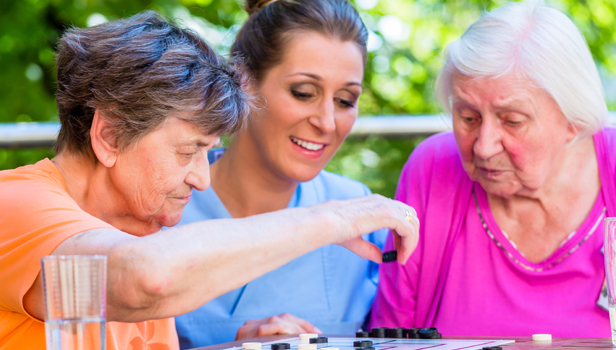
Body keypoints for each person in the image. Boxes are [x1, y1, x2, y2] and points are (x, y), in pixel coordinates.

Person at [0, 11, 419, 350]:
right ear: (109, 135)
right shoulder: (13, 204)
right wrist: (331, 221)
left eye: (207, 151)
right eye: (187, 151)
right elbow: (144, 281)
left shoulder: (137, 234)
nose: (202, 179)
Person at [370, 0, 616, 338]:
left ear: (573, 122)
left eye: (512, 121)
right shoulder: (432, 170)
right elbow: (390, 337)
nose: (483, 146)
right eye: (468, 117)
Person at [172, 0, 387, 347]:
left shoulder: (361, 214)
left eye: (346, 100)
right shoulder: (162, 205)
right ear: (244, 81)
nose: (327, 122)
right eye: (303, 93)